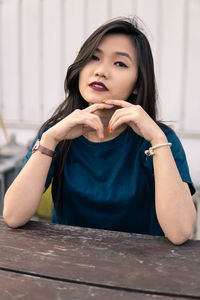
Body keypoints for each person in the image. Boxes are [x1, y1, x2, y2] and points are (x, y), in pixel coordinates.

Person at [3, 17, 196, 245]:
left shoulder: (159, 140)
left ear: (137, 84)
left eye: (120, 64)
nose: (101, 71)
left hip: (141, 270)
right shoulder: (57, 133)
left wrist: (157, 139)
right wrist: (50, 139)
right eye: (94, 58)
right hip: (67, 264)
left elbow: (180, 231)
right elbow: (13, 216)